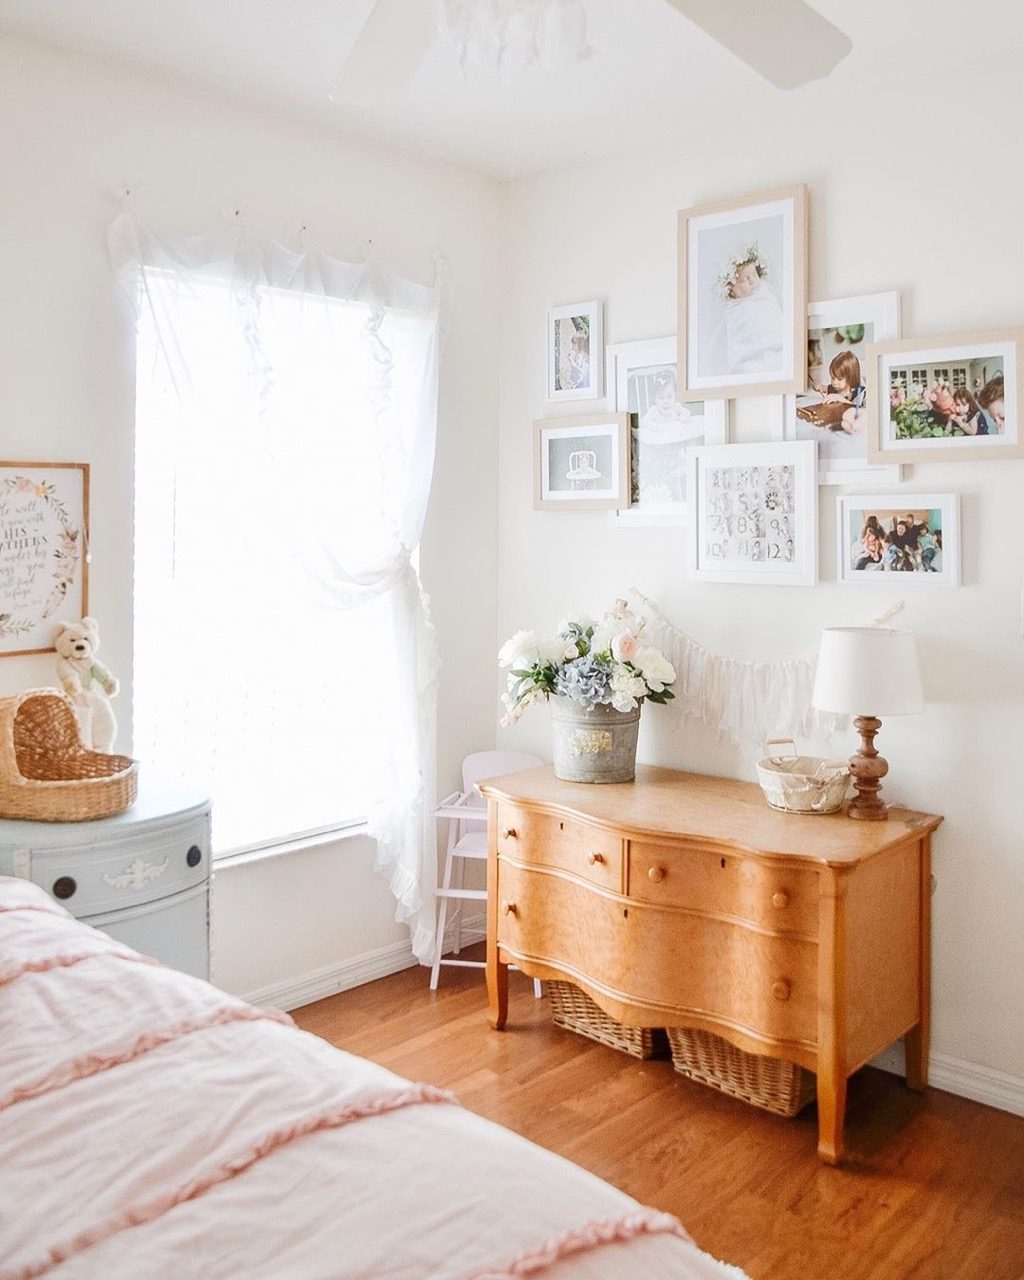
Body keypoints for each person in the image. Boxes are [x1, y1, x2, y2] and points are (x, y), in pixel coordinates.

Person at [719, 246, 783, 376]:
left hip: (774, 345)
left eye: (754, 275)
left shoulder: (765, 291)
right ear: (731, 289)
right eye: (744, 280)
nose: (752, 281)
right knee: (747, 369)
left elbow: (775, 314)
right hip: (748, 355)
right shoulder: (733, 308)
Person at [813, 351, 866, 433]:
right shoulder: (834, 388)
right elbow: (823, 388)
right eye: (833, 378)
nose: (834, 382)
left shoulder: (859, 392)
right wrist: (818, 386)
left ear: (850, 377)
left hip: (853, 421)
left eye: (839, 379)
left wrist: (840, 399)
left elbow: (861, 410)